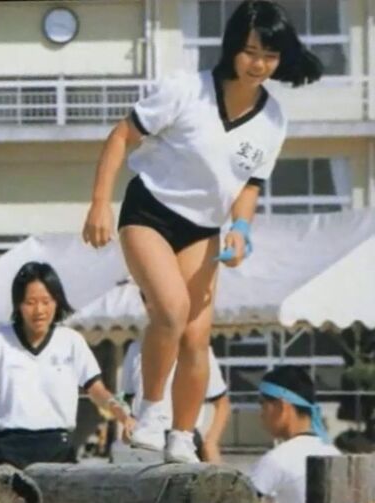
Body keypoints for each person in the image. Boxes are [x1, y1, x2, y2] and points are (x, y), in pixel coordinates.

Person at [82, 0, 322, 462]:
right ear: (232, 46)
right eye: (250, 51)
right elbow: (121, 136)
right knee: (171, 311)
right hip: (150, 211)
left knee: (196, 338)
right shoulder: (185, 89)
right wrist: (98, 204)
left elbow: (249, 186)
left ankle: (181, 437)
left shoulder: (274, 119)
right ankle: (151, 413)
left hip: (204, 228)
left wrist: (241, 230)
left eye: (270, 56)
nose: (258, 65)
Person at [0, 261, 134, 469]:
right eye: (30, 302)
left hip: (59, 449)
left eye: (46, 301)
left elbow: (97, 391)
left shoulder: (71, 341)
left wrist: (122, 413)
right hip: (9, 450)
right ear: (18, 305)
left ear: (57, 302)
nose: (39, 310)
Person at [121, 338, 230, 463]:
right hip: (146, 439)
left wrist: (211, 442)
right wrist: (126, 418)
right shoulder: (136, 349)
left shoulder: (201, 351)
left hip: (186, 438)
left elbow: (222, 404)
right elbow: (123, 398)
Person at [250, 365, 340, 503]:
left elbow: (239, 497)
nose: (261, 414)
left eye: (263, 404)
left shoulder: (276, 461)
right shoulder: (334, 453)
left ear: (281, 406)